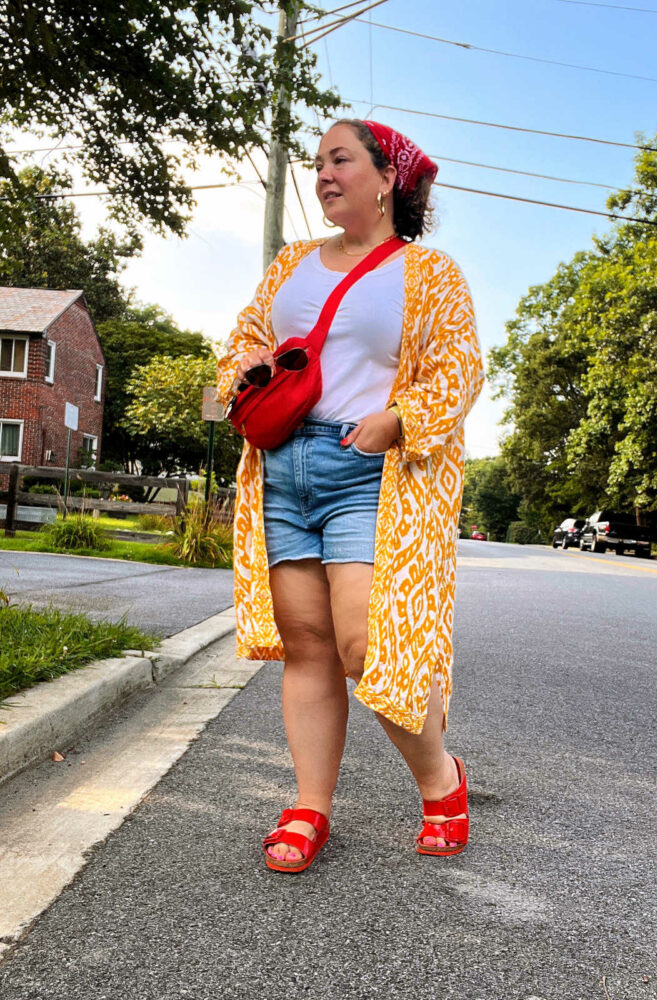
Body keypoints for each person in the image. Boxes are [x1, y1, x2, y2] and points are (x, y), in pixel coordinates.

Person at [217, 118, 484, 873]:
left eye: (340, 160)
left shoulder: (429, 274)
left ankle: (440, 779)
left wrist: (398, 419)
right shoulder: (292, 264)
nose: (323, 174)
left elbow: (459, 369)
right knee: (306, 645)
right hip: (282, 466)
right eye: (318, 164)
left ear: (386, 176)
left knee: (367, 644)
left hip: (371, 470)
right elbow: (241, 339)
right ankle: (310, 804)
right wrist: (248, 365)